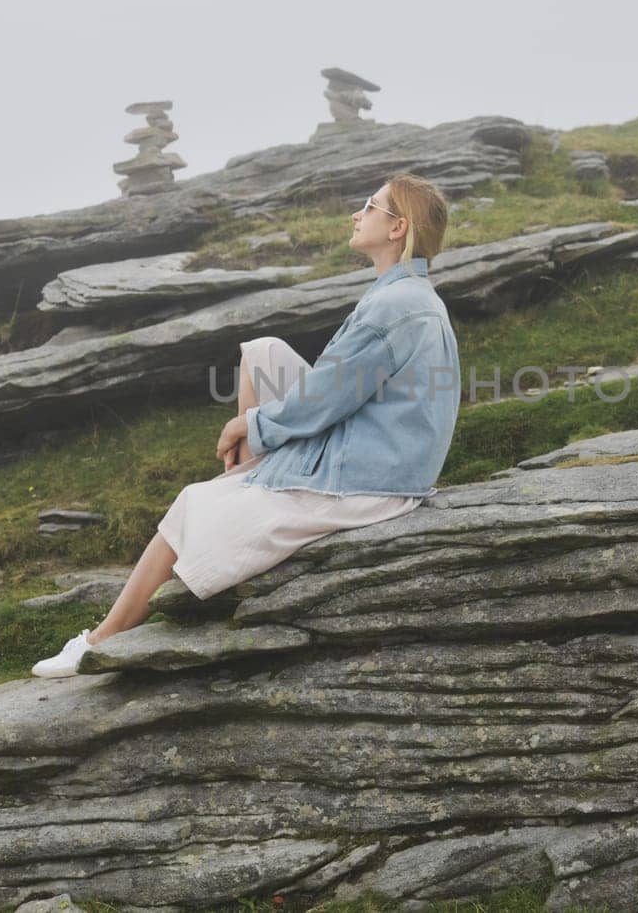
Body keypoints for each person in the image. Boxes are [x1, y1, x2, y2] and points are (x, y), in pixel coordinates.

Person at [32, 172, 461, 677]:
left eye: (369, 206)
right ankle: (249, 482)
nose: (356, 214)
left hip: (370, 477)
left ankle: (100, 640)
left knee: (194, 504)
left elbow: (323, 402)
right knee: (262, 354)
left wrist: (251, 426)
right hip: (384, 452)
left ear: (397, 229)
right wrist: (259, 428)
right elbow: (334, 391)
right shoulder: (408, 295)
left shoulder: (395, 306)